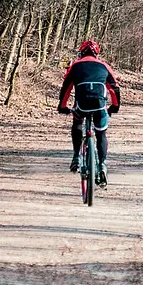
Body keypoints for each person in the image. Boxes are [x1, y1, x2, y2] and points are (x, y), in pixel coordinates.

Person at [57, 40, 121, 186]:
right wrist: (115, 106)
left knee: (77, 122)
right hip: (100, 106)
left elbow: (66, 88)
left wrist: (62, 106)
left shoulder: (75, 66)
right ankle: (102, 165)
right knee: (101, 133)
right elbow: (114, 88)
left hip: (82, 105)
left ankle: (76, 157)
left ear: (81, 53)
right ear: (97, 54)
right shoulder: (104, 66)